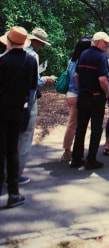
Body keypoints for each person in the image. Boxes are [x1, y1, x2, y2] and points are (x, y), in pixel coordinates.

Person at [0, 27, 38, 208]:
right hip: (18, 109)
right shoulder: (31, 61)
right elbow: (32, 86)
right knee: (12, 151)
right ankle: (13, 192)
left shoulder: (3, 61)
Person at [70, 31, 109, 170]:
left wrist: (80, 89)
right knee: (96, 129)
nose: (106, 45)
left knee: (80, 128)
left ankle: (76, 158)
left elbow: (76, 75)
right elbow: (102, 79)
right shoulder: (100, 57)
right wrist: (107, 93)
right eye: (105, 42)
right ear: (98, 41)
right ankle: (91, 159)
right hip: (95, 97)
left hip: (83, 95)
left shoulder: (84, 54)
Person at [18, 26, 55, 183]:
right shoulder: (33, 56)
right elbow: (34, 80)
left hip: (13, 100)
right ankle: (17, 173)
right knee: (25, 137)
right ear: (37, 43)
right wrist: (45, 80)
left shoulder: (15, 53)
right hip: (28, 100)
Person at [61, 38, 91, 162]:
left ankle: (69, 150)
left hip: (69, 94)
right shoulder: (81, 61)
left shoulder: (71, 60)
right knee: (73, 125)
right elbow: (76, 76)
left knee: (73, 123)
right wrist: (81, 90)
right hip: (76, 94)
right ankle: (67, 152)